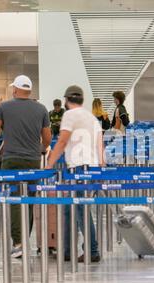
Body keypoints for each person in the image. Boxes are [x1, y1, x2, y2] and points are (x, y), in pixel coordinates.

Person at [0, 75, 51, 259]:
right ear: (29, 90)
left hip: (11, 160)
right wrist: (39, 149)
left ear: (15, 90)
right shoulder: (41, 109)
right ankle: (25, 240)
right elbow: (47, 138)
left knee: (14, 199)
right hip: (33, 161)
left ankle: (18, 243)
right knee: (29, 198)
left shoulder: (4, 107)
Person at [46, 85, 103, 263]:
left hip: (78, 168)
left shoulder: (69, 115)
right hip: (91, 167)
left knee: (80, 209)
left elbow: (62, 141)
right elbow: (100, 144)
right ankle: (67, 250)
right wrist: (101, 166)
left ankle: (92, 250)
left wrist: (49, 164)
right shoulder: (92, 117)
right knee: (69, 209)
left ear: (66, 100)